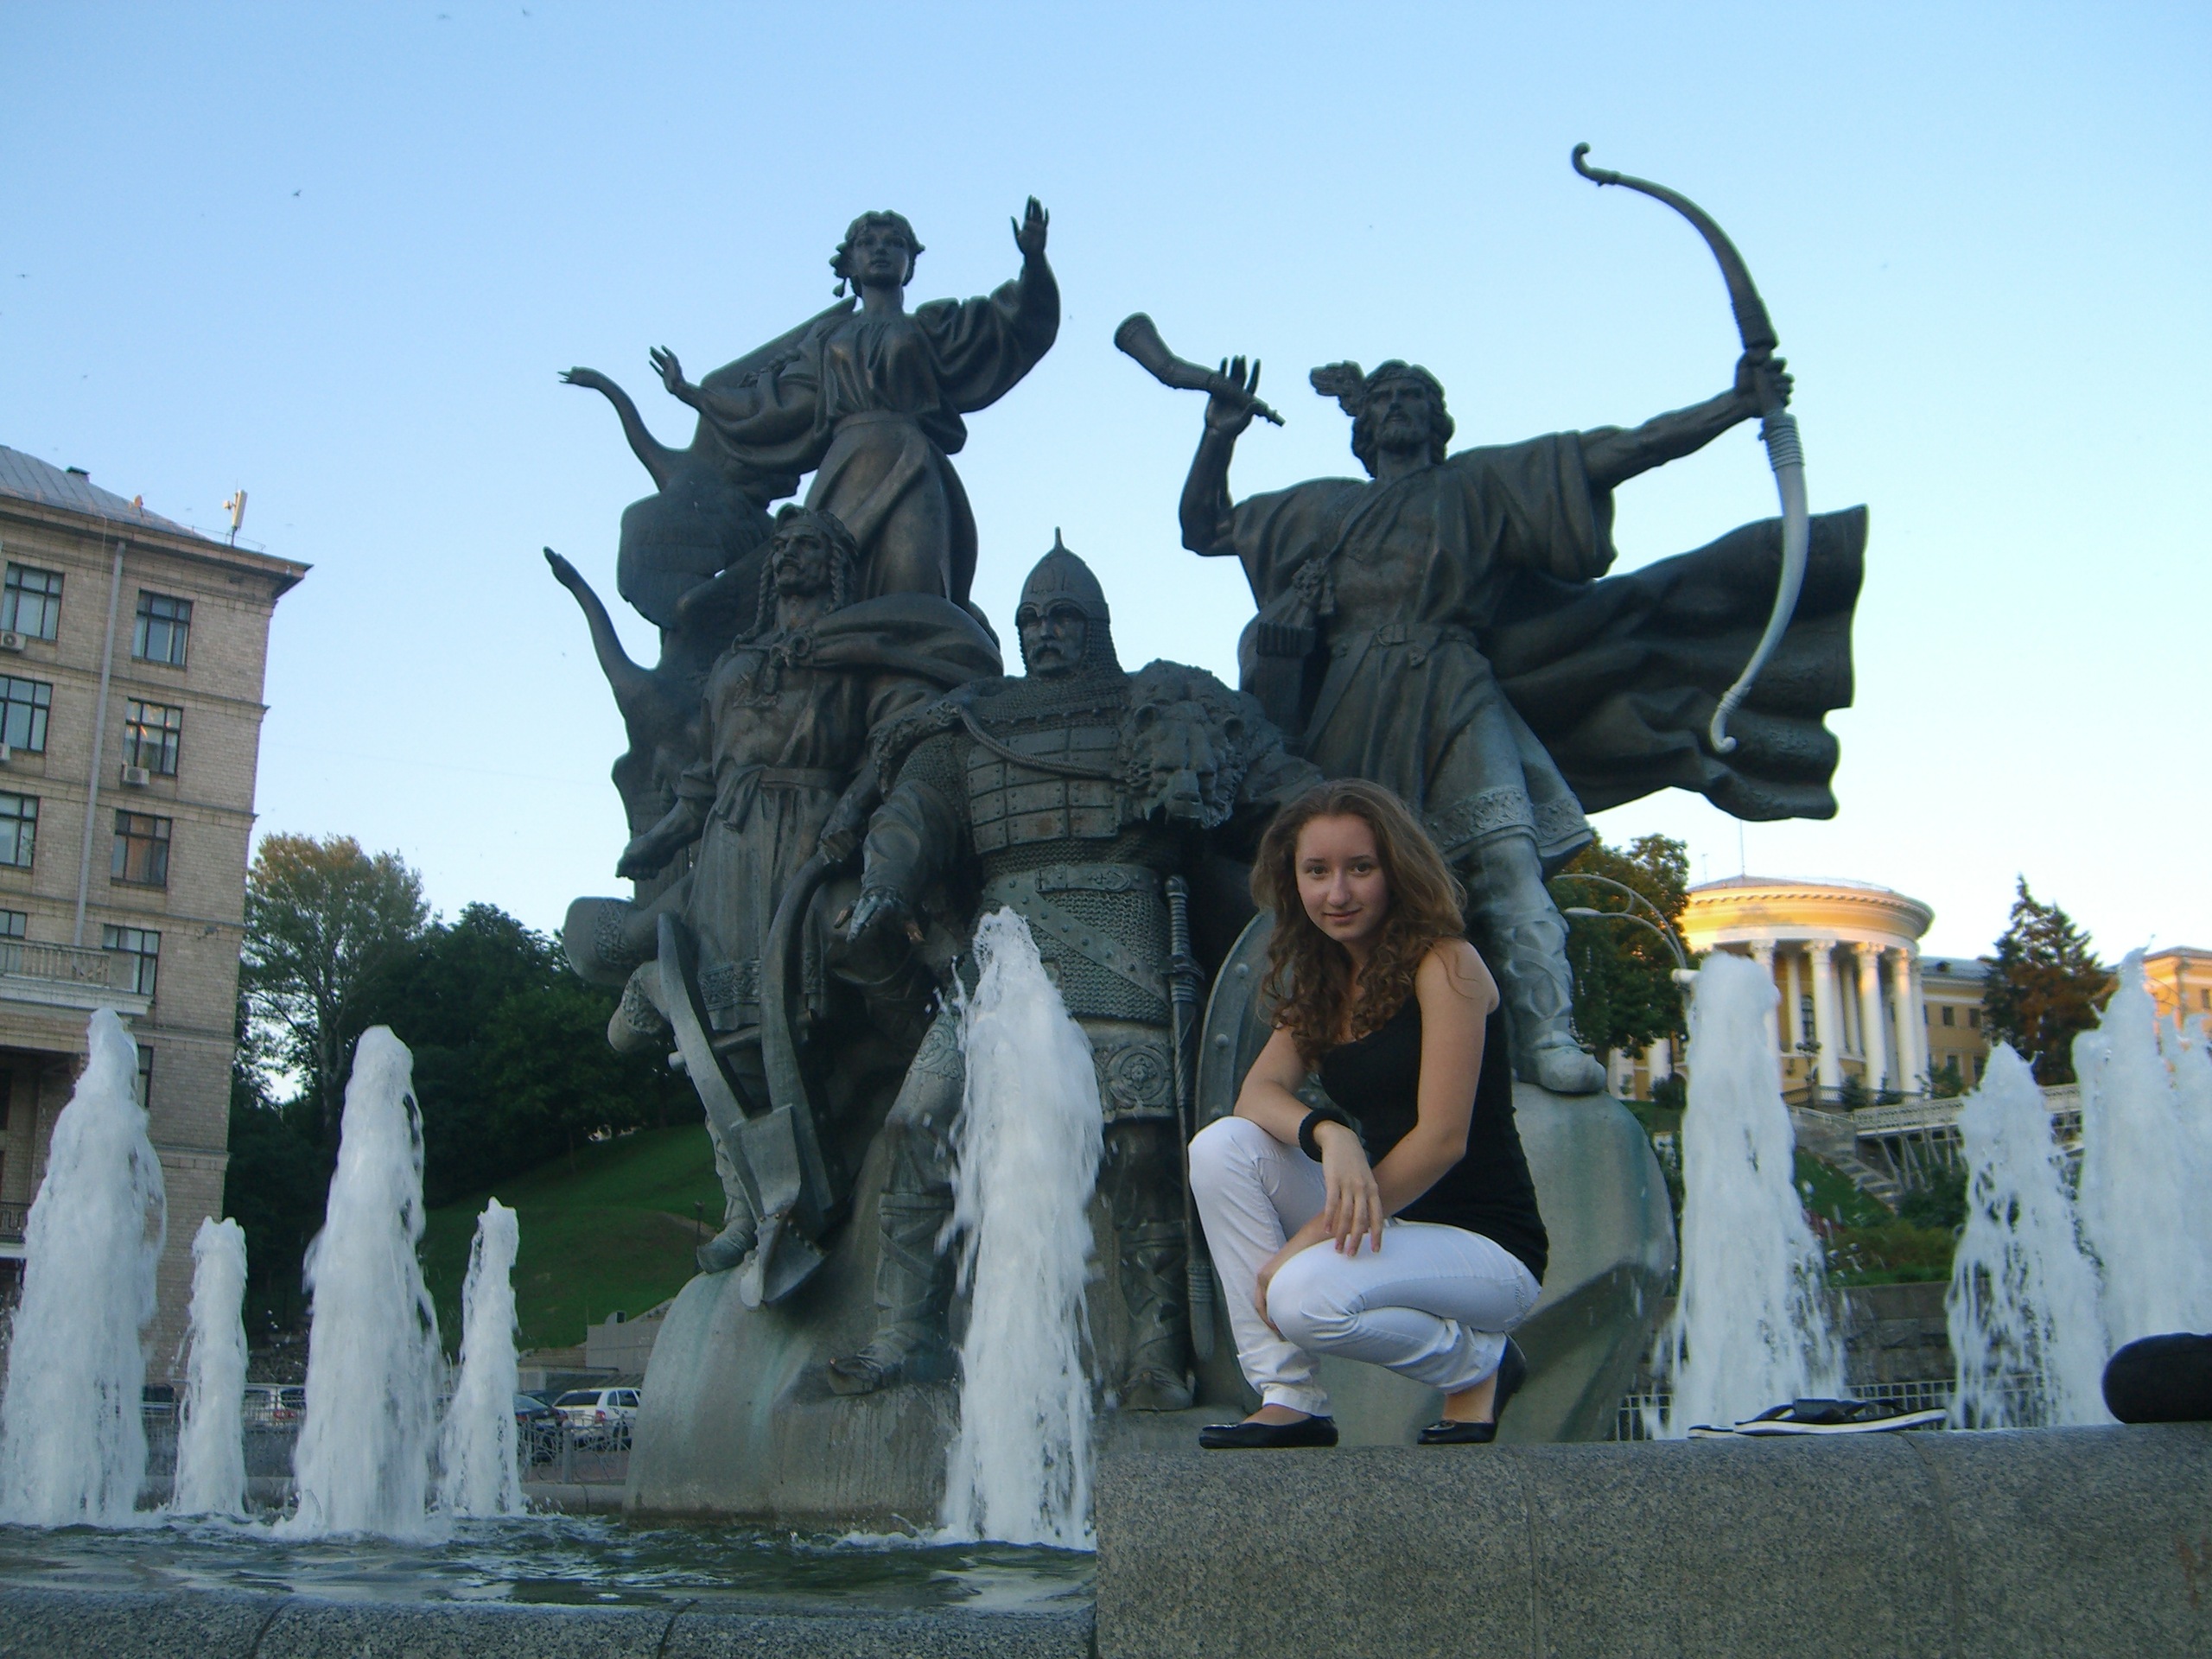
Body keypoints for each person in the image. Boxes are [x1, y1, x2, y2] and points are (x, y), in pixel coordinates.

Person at [1179, 350, 1791, 1095]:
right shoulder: (1320, 508)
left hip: (1455, 686)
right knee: (1338, 886)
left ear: (1438, 421)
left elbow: (1623, 449)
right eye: (1385, 397)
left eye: (1414, 396)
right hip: (1351, 703)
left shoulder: (1481, 483)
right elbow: (1204, 527)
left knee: (1509, 859)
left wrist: (1733, 405)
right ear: (1362, 425)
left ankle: (1548, 1035)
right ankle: (1325, 1049)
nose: (1397, 406)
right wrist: (1220, 433)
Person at [830, 537, 1320, 1406]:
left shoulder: (1162, 701)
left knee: (1141, 1149)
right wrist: (885, 885)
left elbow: (1278, 788)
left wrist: (1343, 834)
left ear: (1095, 624)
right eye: (1028, 619)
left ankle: (1157, 1350)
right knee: (915, 1126)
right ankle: (905, 1334)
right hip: (1001, 960)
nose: (1043, 632)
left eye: (1061, 617)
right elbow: (915, 813)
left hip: (1122, 937)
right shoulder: (971, 721)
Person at [569, 505, 1000, 1276]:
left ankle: (923, 1085)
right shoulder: (733, 667)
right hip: (729, 848)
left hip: (811, 839)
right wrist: (658, 840)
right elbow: (703, 782)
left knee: (828, 971)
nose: (793, 555)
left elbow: (892, 744)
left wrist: (851, 812)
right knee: (718, 1028)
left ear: (836, 566)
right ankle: (744, 1203)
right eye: (786, 547)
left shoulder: (858, 651)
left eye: (811, 547)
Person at [1187, 778, 1548, 1446]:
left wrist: (1307, 1238)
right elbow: (1256, 1096)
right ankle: (1289, 1396)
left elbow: (1443, 1139)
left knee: (1300, 1296)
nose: (1337, 893)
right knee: (1221, 1146)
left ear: (1396, 871)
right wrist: (1330, 1134)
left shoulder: (1448, 965)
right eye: (1316, 872)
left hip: (1488, 1253)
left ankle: (1482, 1363)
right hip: (1392, 1226)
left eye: (1360, 868)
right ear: (1292, 881)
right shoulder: (1324, 982)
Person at [650, 202, 1057, 616]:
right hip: (843, 471)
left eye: (894, 243)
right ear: (850, 263)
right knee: (819, 600)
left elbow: (1008, 323)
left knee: (914, 594)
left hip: (911, 465)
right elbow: (780, 404)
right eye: (867, 243)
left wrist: (1034, 262)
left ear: (910, 263)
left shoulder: (932, 326)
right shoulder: (827, 338)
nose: (880, 249)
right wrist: (693, 394)